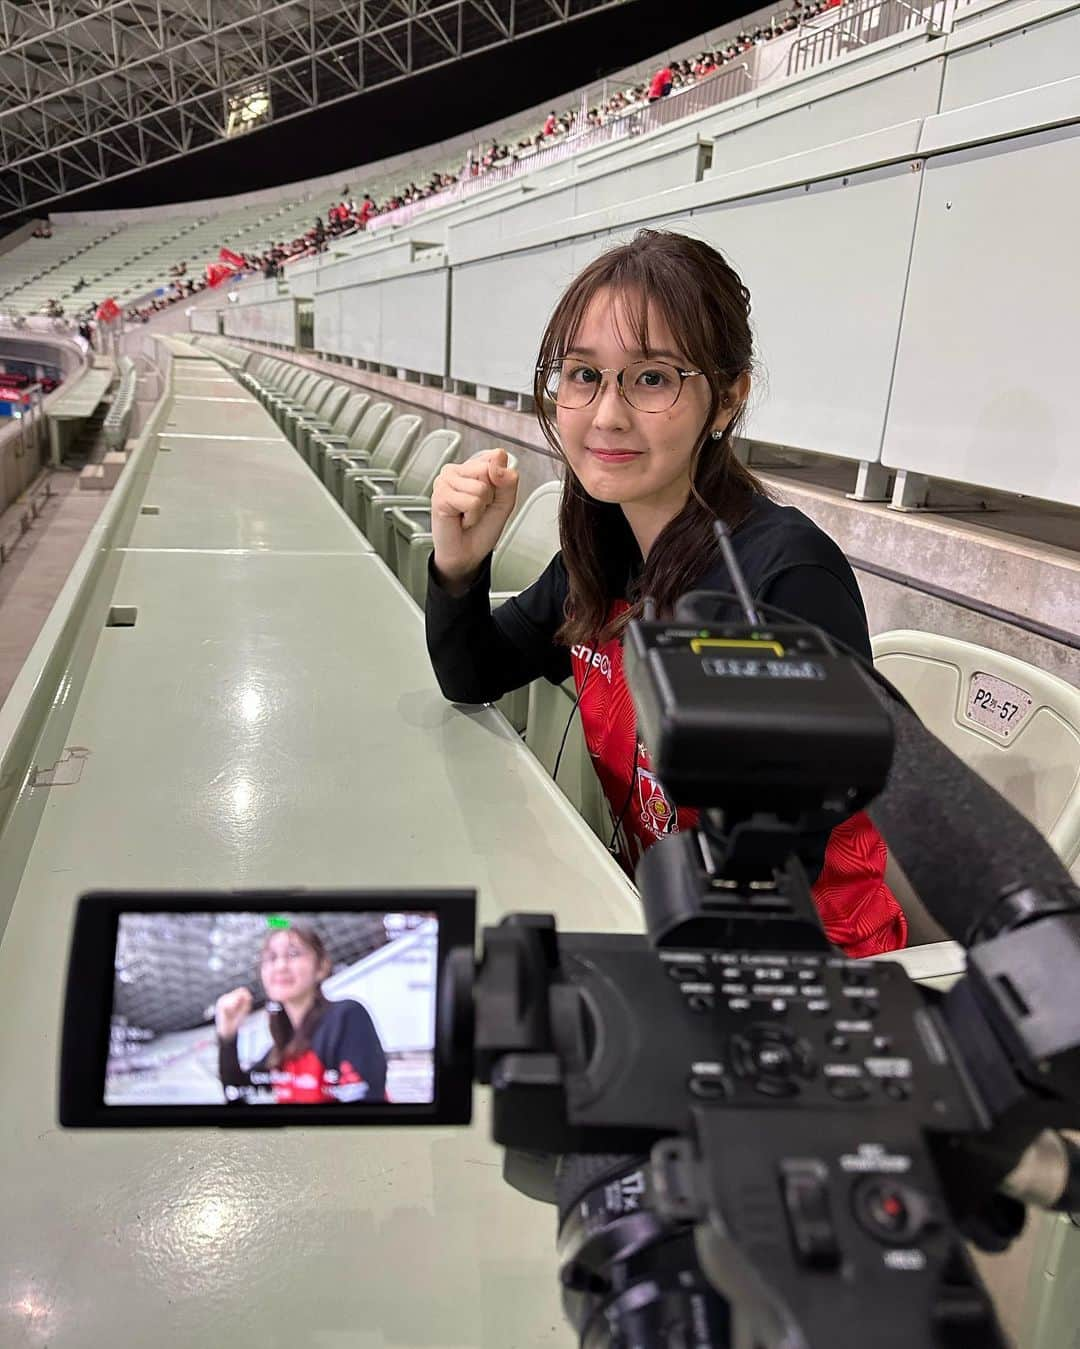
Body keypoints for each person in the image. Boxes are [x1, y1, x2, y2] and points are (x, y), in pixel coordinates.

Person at [425, 230, 907, 958]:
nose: (606, 414)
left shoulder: (785, 580)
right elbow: (472, 674)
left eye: (652, 378)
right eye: (583, 374)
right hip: (652, 920)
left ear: (727, 399)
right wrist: (459, 568)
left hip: (802, 968)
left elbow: (772, 876)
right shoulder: (603, 550)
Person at [215, 922, 388, 1104]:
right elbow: (237, 1096)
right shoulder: (282, 1049)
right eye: (271, 958)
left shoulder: (346, 1017)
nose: (280, 966)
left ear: (321, 967)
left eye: (293, 954)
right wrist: (227, 1036)